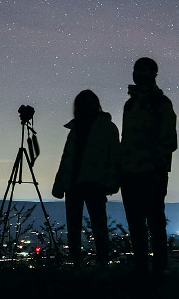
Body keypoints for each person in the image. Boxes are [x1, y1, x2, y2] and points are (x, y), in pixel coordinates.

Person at [120, 57, 177, 278]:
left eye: (142, 70)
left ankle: (158, 270)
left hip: (151, 172)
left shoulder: (160, 103)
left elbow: (169, 140)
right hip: (131, 172)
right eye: (136, 69)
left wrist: (154, 162)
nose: (137, 73)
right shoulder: (131, 103)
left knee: (153, 221)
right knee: (137, 223)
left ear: (153, 74)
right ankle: (143, 269)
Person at [52, 89, 121, 266]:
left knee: (95, 225)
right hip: (77, 183)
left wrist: (112, 182)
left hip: (92, 183)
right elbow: (67, 158)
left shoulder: (102, 128)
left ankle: (99, 262)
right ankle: (83, 263)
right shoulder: (79, 129)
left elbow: (114, 157)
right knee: (81, 226)